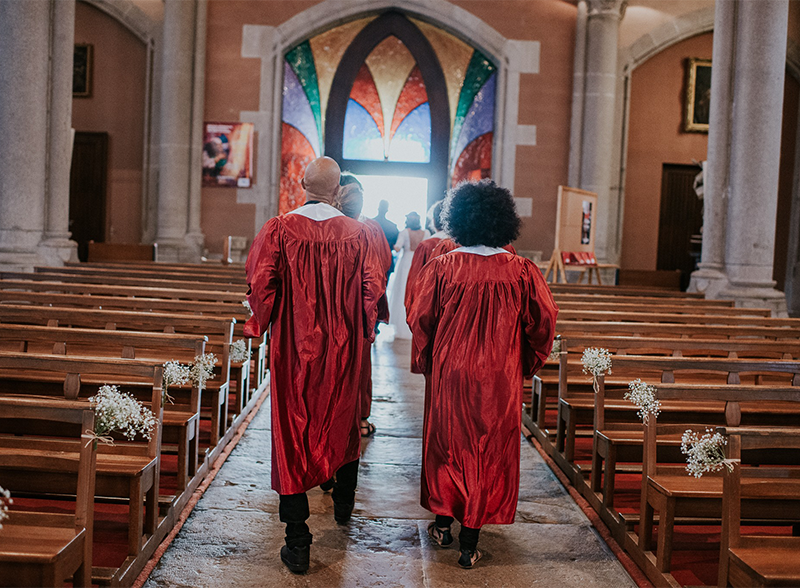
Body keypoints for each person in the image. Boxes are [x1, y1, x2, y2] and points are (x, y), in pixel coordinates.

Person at [408, 180, 558, 568]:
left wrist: (428, 360)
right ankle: (470, 541)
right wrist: (528, 360)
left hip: (451, 373)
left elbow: (420, 319)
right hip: (499, 376)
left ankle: (443, 524)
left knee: (447, 445)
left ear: (460, 219)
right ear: (503, 220)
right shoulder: (522, 271)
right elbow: (544, 322)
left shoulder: (443, 267)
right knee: (487, 450)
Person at [244, 156, 382, 574]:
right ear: (339, 191)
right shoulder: (359, 234)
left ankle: (298, 541)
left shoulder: (280, 228)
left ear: (301, 184)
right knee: (342, 420)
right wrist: (364, 333)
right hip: (342, 349)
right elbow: (371, 290)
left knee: (293, 431)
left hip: (294, 348)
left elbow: (260, 284)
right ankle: (343, 504)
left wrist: (258, 325)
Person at [335, 177, 392, 438]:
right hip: (359, 308)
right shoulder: (370, 228)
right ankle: (359, 419)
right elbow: (381, 267)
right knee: (359, 367)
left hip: (330, 310)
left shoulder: (322, 227)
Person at [388, 211, 429, 339]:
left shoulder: (404, 232)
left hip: (406, 263)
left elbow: (397, 248)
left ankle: (401, 326)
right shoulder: (426, 233)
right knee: (416, 293)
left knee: (402, 293)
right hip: (419, 262)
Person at [404, 200, 447, 312]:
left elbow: (415, 282)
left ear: (433, 220)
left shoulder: (427, 245)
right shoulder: (459, 245)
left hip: (428, 306)